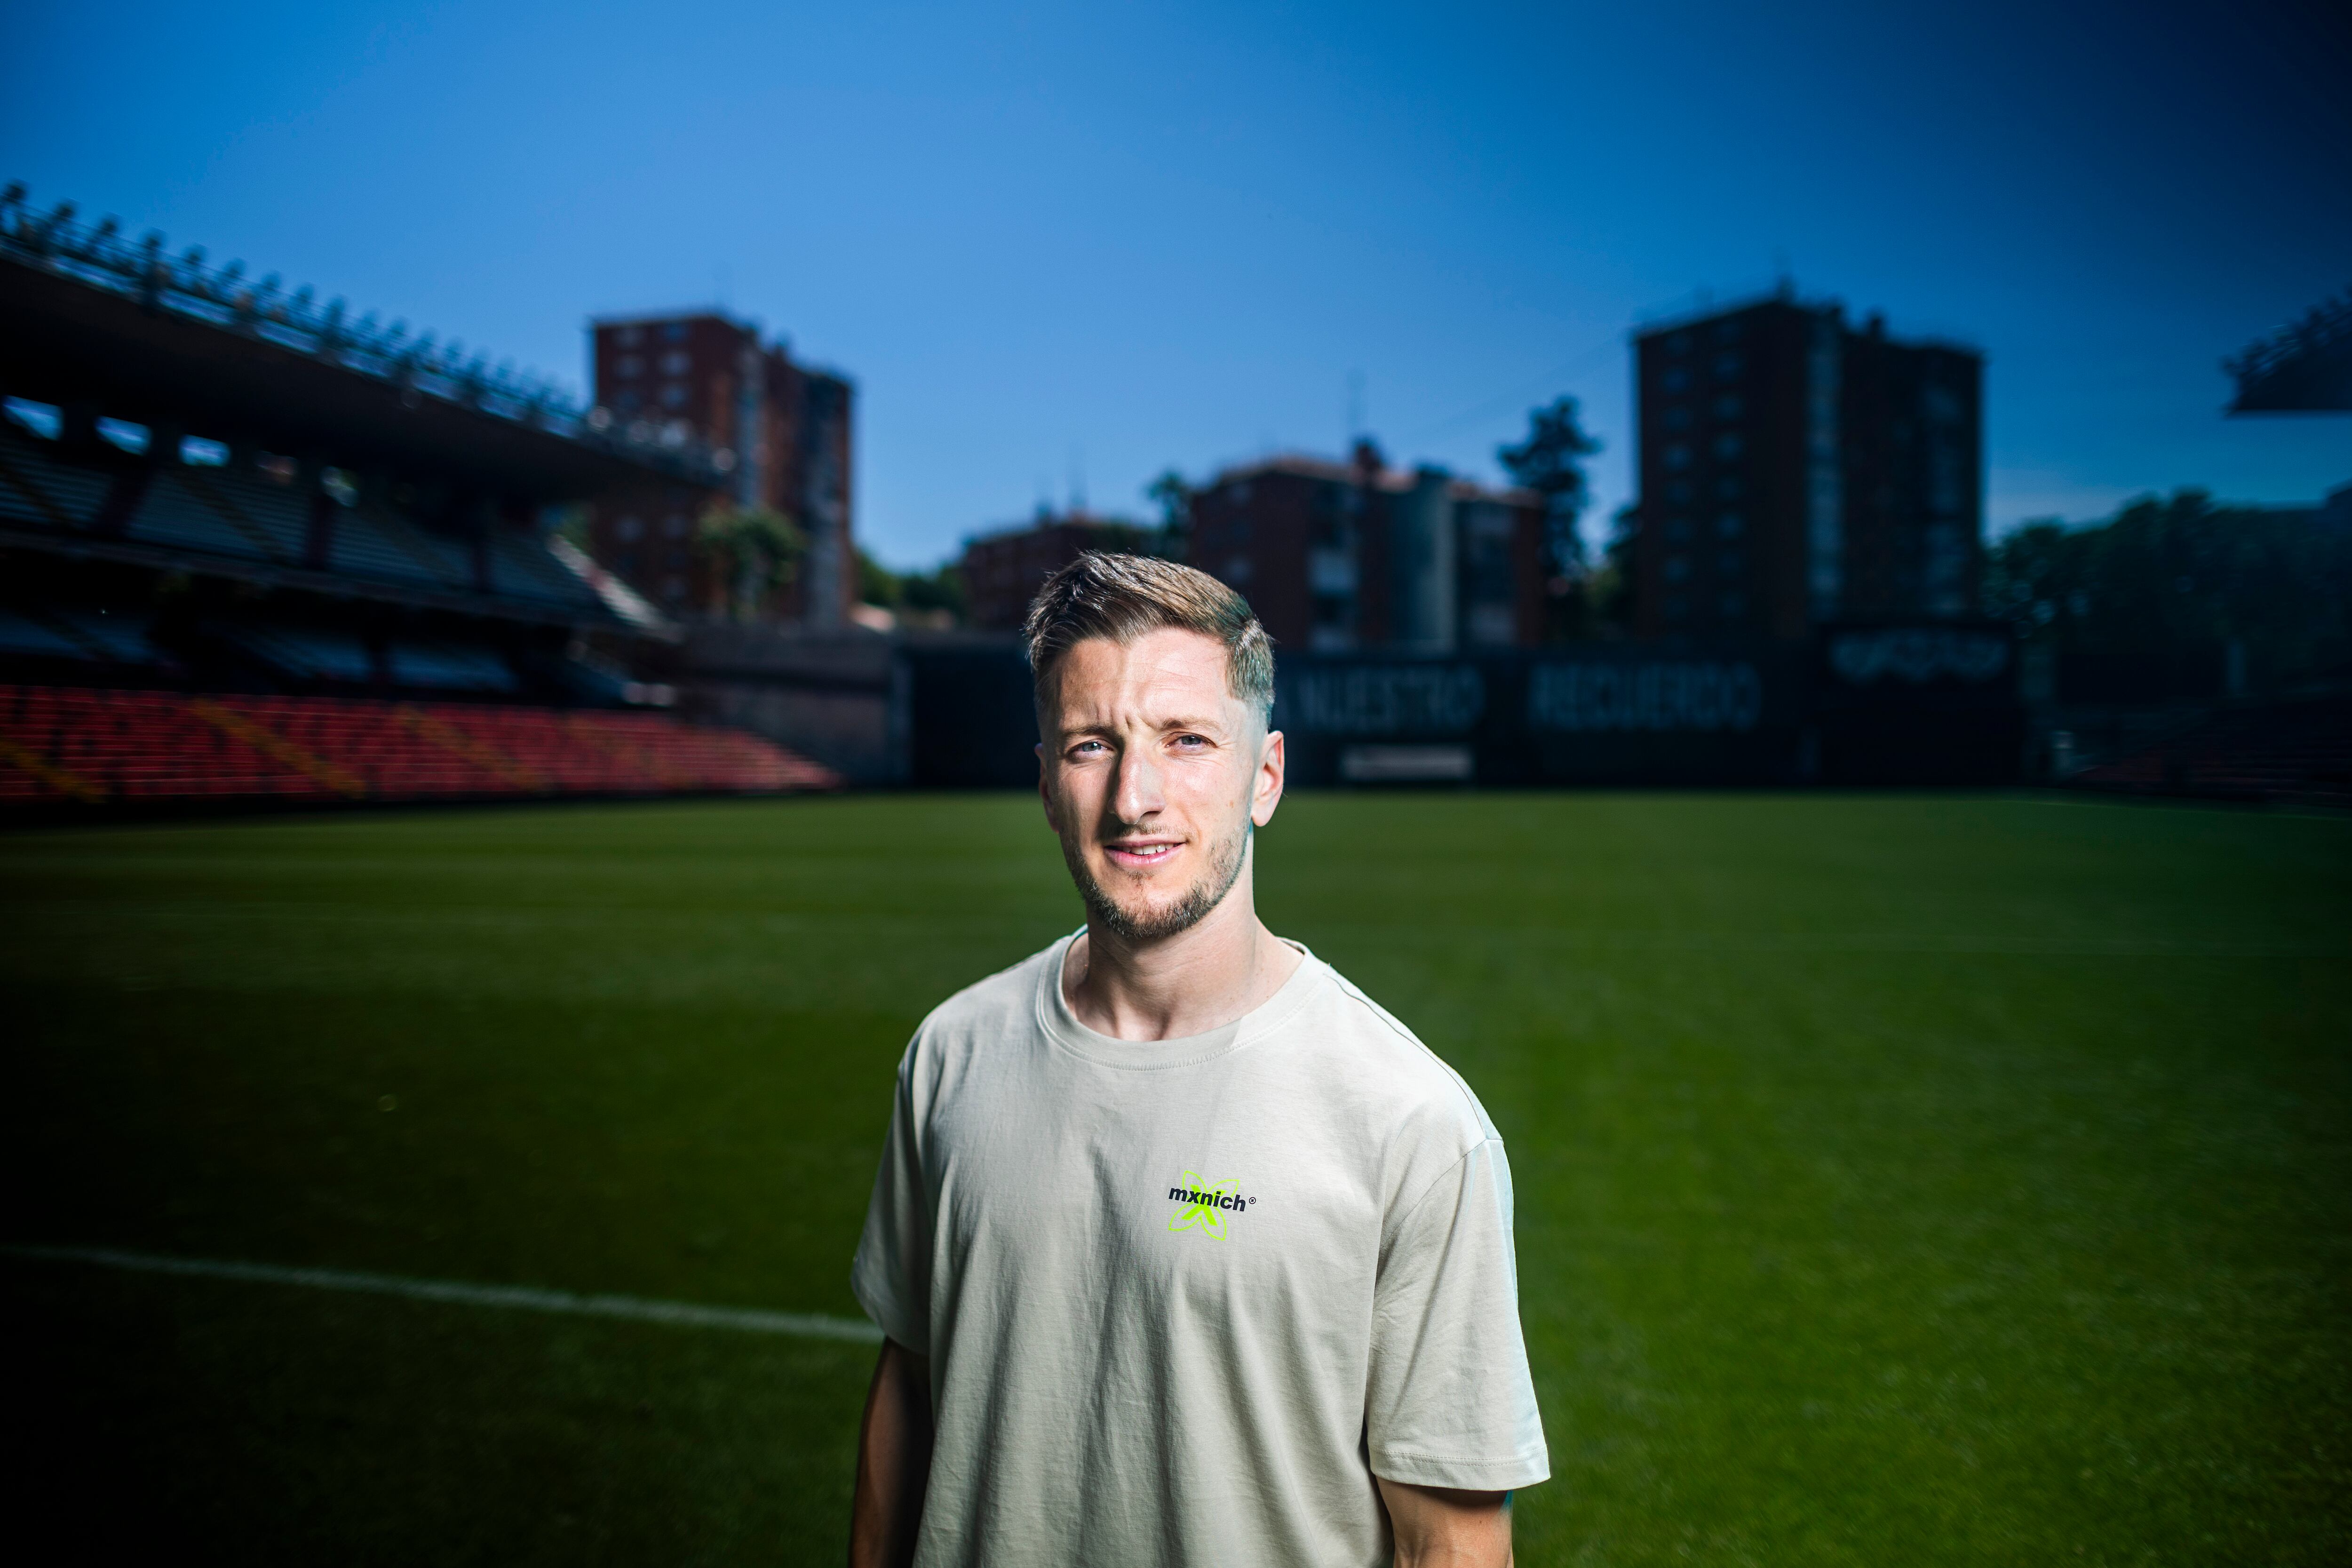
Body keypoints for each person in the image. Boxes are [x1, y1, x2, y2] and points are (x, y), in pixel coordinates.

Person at [849, 553, 1547, 1568]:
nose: (1136, 797)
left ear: (1262, 776)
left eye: (1186, 741)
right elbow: (907, 1391)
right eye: (1094, 744)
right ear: (1048, 784)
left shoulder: (1411, 1123)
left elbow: (1449, 1540)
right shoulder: (950, 1055)